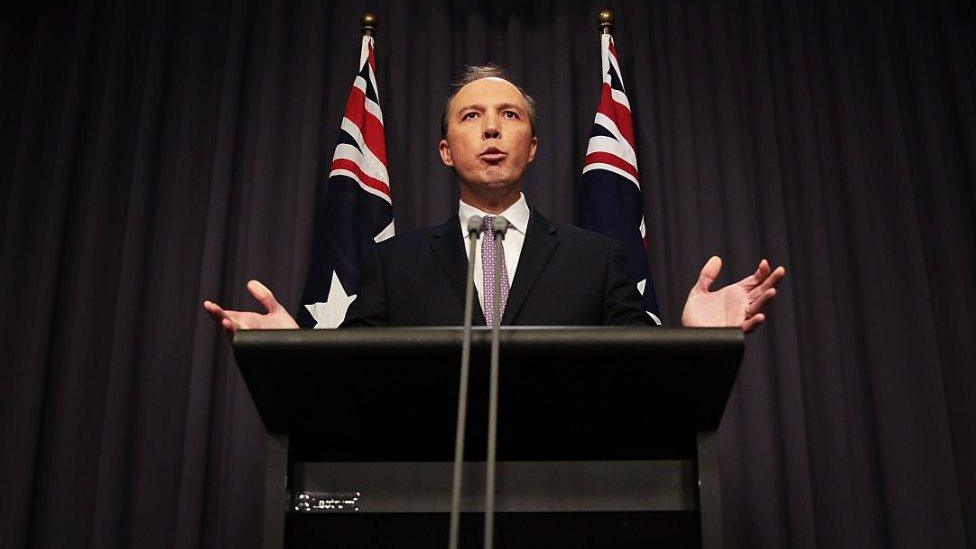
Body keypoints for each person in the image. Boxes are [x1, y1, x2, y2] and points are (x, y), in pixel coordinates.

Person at [203, 66, 785, 334]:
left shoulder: (597, 258)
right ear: (444, 150)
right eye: (471, 116)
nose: (490, 130)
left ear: (531, 148)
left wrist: (701, 344)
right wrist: (293, 352)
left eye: (509, 117)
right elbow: (351, 379)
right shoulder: (394, 263)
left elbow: (641, 379)